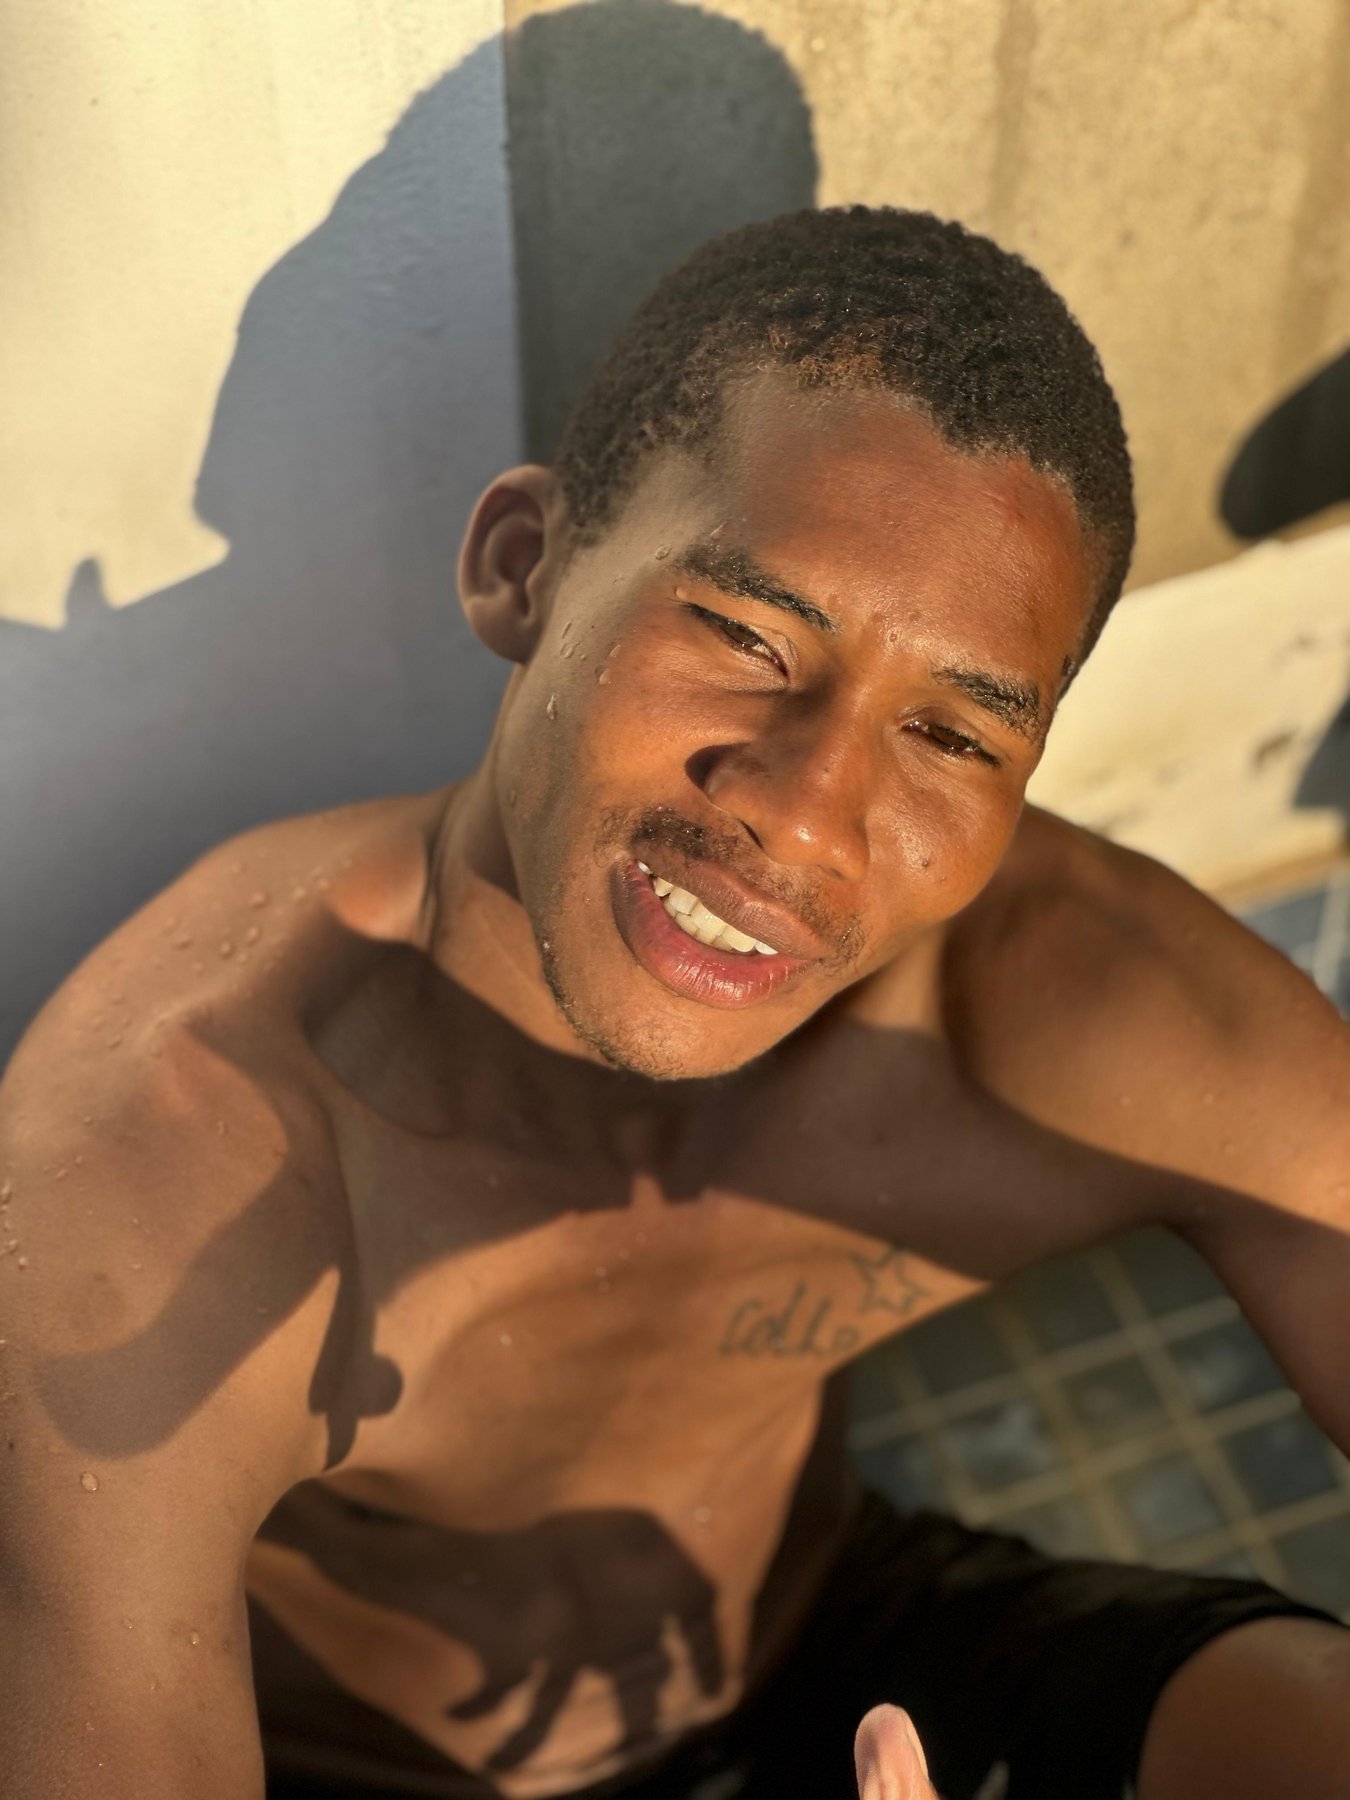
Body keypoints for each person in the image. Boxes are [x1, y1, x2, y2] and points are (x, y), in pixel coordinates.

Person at [2, 207, 1347, 1800]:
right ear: (523, 569)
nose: (808, 816)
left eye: (953, 736)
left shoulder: (1051, 1011)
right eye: (744, 636)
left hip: (837, 1655)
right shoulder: (163, 1167)